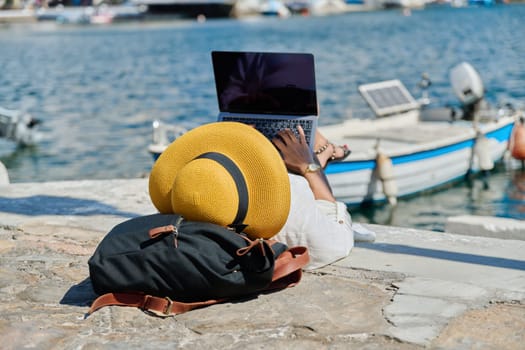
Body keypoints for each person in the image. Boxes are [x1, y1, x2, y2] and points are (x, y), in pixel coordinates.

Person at [272, 125, 375, 270]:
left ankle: (322, 149)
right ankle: (322, 151)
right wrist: (308, 167)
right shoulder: (294, 187)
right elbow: (334, 243)